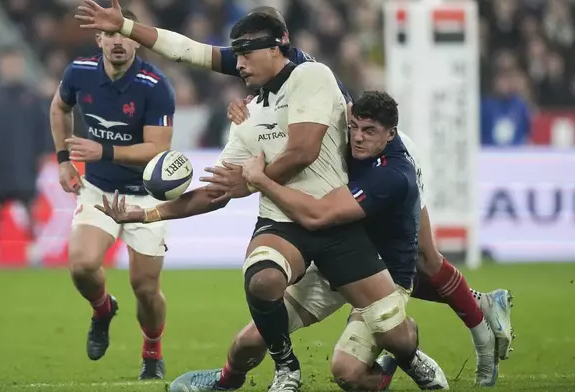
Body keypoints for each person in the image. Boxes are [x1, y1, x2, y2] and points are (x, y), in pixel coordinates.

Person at [77, 0, 513, 383]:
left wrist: (250, 179)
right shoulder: (262, 82)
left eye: (245, 54)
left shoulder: (304, 74)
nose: (237, 63)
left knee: (419, 263)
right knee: (355, 276)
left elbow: (302, 151)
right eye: (238, 54)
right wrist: (129, 26)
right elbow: (191, 51)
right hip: (335, 178)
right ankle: (282, 364)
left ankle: (479, 315)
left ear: (275, 48)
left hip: (380, 165)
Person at [170, 91, 453, 392]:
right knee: (250, 340)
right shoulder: (340, 140)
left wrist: (261, 180)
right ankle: (225, 381)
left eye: (369, 131)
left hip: (381, 274)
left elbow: (319, 216)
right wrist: (252, 113)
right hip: (335, 261)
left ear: (390, 134)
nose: (357, 137)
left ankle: (404, 350)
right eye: (354, 127)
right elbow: (304, 89)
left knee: (348, 373)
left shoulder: (393, 175)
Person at [49, 9, 175, 380]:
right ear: (99, 39)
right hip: (101, 189)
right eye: (110, 33)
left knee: (146, 288)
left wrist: (102, 151)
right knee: (82, 265)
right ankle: (102, 309)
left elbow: (157, 148)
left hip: (146, 196)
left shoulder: (156, 85)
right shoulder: (79, 72)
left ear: (137, 38)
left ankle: (152, 352)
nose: (118, 41)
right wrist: (62, 160)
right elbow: (59, 107)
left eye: (125, 33)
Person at [0, 45, 52, 268]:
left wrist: (43, 152)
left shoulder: (32, 97)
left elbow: (45, 127)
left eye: (15, 63)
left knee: (29, 208)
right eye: (7, 64)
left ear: (21, 66)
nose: (11, 68)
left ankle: (34, 255)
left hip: (25, 163)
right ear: (0, 66)